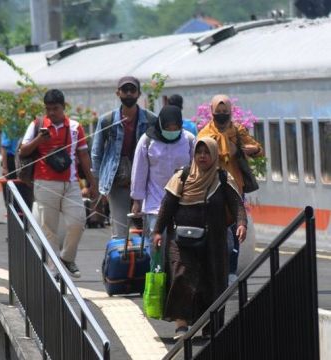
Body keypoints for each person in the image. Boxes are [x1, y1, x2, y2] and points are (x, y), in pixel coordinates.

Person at [152, 137, 247, 339]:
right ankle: (181, 326)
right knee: (181, 277)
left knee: (211, 282)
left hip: (213, 242)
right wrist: (158, 231)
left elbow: (237, 204)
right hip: (181, 240)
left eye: (206, 153)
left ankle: (209, 327)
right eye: (198, 152)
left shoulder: (222, 179)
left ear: (214, 155)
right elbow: (167, 205)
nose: (202, 156)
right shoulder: (182, 176)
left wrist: (241, 224)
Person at [19, 89, 97, 278]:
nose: (52, 113)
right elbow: (23, 151)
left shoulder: (75, 127)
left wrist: (92, 182)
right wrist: (39, 139)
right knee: (49, 228)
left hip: (71, 183)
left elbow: (83, 155)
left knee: (78, 221)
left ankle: (67, 258)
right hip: (44, 183)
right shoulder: (37, 125)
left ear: (64, 107)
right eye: (48, 109)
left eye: (55, 108)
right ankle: (54, 270)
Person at [197, 94, 263, 282]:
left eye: (225, 112)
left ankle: (231, 270)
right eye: (218, 112)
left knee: (235, 229)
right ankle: (213, 271)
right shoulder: (205, 134)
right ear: (212, 112)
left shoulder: (238, 131)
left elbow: (258, 149)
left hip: (235, 188)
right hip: (212, 189)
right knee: (214, 231)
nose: (222, 115)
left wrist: (252, 150)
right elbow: (199, 157)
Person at [91, 76, 154, 239]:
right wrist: (100, 186)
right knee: (120, 233)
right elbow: (96, 152)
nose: (128, 94)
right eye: (124, 90)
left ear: (139, 93)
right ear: (117, 93)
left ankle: (146, 264)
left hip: (145, 183)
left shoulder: (151, 119)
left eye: (132, 90)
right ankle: (120, 263)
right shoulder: (106, 120)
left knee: (150, 231)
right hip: (117, 181)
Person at [131, 105, 195, 234]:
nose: (172, 131)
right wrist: (137, 201)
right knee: (157, 241)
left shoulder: (189, 139)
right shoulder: (147, 140)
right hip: (155, 202)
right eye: (167, 128)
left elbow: (196, 169)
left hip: (184, 201)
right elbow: (139, 172)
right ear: (160, 125)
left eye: (175, 128)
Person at [0, 130, 33, 209]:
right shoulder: (10, 125)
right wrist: (5, 167)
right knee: (13, 191)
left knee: (25, 191)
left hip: (26, 159)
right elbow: (4, 147)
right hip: (11, 160)